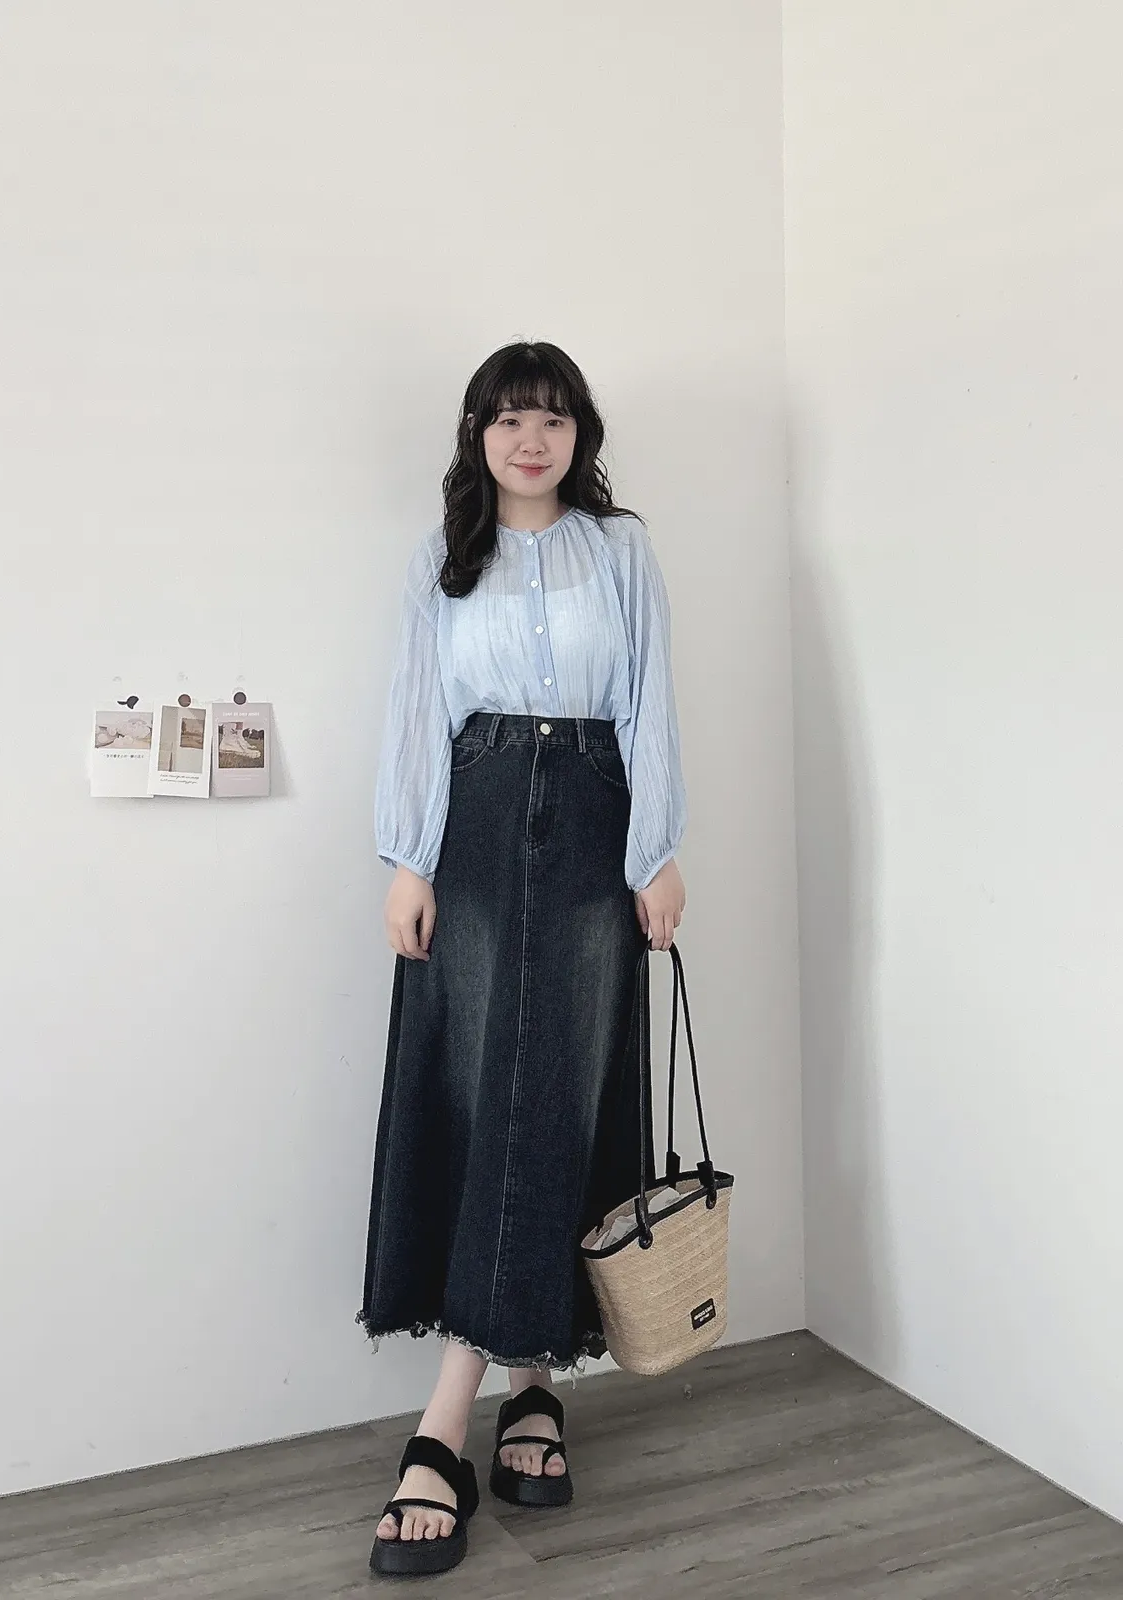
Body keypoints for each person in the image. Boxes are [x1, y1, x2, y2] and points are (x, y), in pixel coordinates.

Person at [360, 341, 687, 1577]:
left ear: (580, 432)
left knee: (565, 1090)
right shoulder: (443, 559)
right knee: (486, 1089)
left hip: (599, 815)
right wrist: (409, 858)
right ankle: (521, 1391)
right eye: (508, 419)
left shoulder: (623, 550)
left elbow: (651, 696)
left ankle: (458, 1417)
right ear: (478, 435)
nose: (531, 440)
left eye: (552, 418)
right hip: (480, 815)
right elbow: (415, 706)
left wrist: (657, 849)